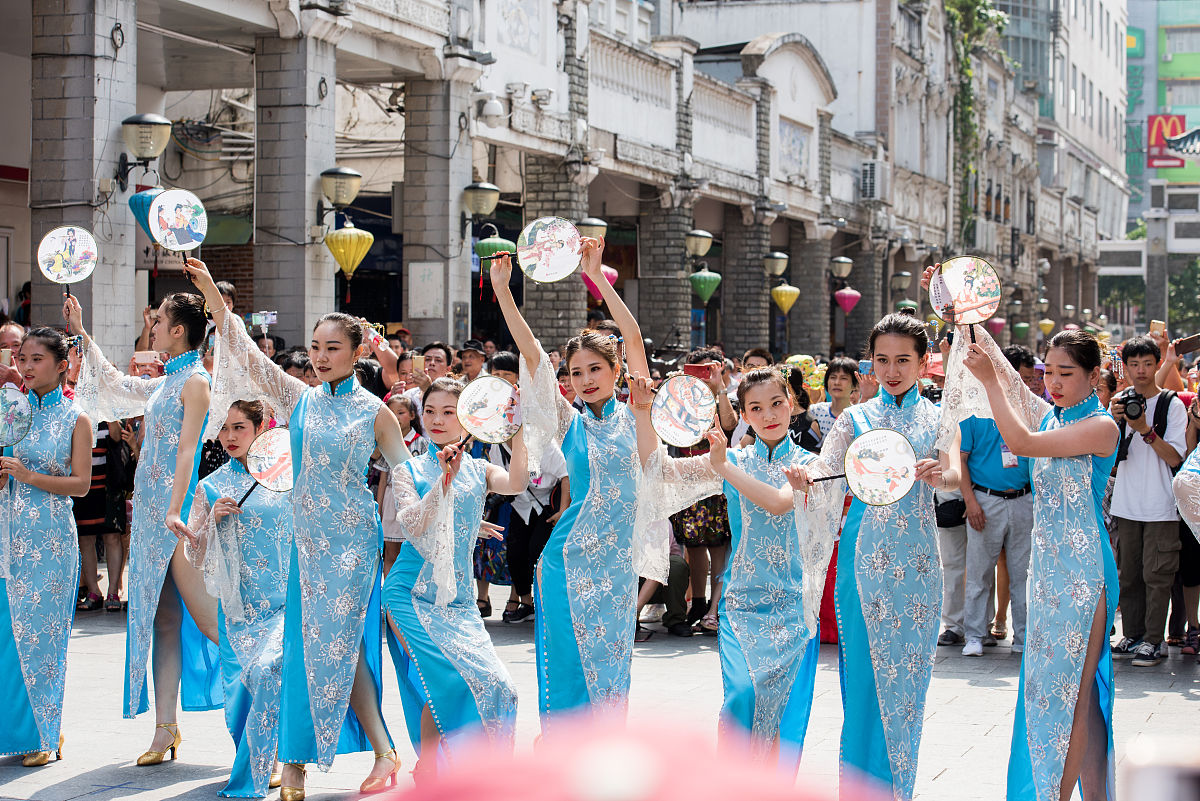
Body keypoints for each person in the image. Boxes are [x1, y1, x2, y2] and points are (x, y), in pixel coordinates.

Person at [184, 258, 412, 799]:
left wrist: (447, 508)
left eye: (332, 348)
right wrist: (217, 305)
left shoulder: (375, 411)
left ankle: (298, 766)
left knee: (328, 647)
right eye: (315, 347)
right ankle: (372, 752)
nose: (320, 356)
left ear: (357, 353)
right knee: (323, 648)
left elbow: (404, 480)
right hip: (304, 544)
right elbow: (251, 361)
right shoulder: (301, 398)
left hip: (353, 545)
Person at [786, 313, 961, 800]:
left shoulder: (940, 418)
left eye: (903, 359)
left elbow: (953, 476)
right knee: (863, 689)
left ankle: (899, 789)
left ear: (925, 363)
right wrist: (803, 479)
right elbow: (823, 475)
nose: (892, 370)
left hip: (920, 568)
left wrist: (937, 475)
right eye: (882, 360)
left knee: (908, 688)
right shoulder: (854, 418)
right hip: (862, 566)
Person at [631, 367, 841, 770]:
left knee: (781, 713)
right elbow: (660, 472)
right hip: (742, 605)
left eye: (776, 403)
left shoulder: (811, 466)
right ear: (744, 414)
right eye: (756, 408)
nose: (768, 415)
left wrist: (724, 468)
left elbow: (780, 502)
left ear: (792, 404)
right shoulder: (733, 459)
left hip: (794, 607)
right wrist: (644, 414)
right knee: (742, 696)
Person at [490, 242, 653, 728]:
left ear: (617, 370)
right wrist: (504, 292)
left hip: (618, 566)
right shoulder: (568, 422)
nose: (584, 379)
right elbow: (533, 357)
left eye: (595, 369)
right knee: (565, 669)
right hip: (565, 562)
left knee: (611, 670)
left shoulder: (640, 413)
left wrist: (597, 279)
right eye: (576, 372)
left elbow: (635, 336)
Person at [957, 328, 1120, 801]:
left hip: (1084, 571)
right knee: (1062, 694)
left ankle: (1054, 795)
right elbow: (1008, 377)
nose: (1055, 381)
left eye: (1067, 373)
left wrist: (990, 384)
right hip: (1046, 570)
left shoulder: (1102, 427)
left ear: (1095, 376)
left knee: (1072, 696)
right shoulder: (1051, 417)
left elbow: (1022, 441)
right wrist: (962, 310)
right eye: (1049, 372)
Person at [69, 292, 223, 762]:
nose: (151, 329)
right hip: (153, 512)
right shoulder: (164, 382)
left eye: (157, 322)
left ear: (177, 330)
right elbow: (113, 383)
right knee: (162, 620)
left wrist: (174, 510)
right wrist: (80, 330)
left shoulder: (194, 382)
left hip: (176, 516)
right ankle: (165, 728)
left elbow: (187, 452)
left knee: (210, 622)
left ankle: (265, 701)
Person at [383, 377, 522, 780]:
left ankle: (479, 772)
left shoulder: (479, 468)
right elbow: (412, 525)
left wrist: (519, 432)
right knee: (446, 677)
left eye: (448, 411)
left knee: (500, 686)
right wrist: (443, 481)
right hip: (411, 595)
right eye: (430, 411)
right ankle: (433, 769)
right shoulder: (407, 469)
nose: (437, 420)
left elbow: (515, 483)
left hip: (458, 600)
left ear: (467, 418)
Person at [183, 401, 289, 798]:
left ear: (262, 429)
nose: (229, 436)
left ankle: (266, 764)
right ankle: (256, 757)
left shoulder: (286, 477)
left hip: (283, 604)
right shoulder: (210, 485)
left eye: (239, 427)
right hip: (237, 610)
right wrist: (212, 521)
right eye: (225, 428)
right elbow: (194, 553)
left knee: (268, 673)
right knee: (239, 696)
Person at [0, 328, 92, 766]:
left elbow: (80, 484)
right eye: (22, 358)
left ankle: (46, 734)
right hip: (7, 534)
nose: (27, 366)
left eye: (37, 359)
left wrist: (27, 475)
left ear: (61, 364)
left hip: (52, 540)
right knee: (8, 637)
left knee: (43, 638)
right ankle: (13, 733)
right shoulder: (9, 411)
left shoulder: (77, 418)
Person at [1109, 336, 1187, 666]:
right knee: (1128, 575)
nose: (1140, 371)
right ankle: (1133, 634)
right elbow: (1105, 454)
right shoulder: (1118, 402)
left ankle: (1154, 641)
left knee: (1158, 576)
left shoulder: (1173, 405)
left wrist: (1144, 428)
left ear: (1158, 365)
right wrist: (1113, 420)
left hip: (1161, 505)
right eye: (1134, 364)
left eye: (1147, 363)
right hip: (1126, 504)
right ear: (1124, 367)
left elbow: (1175, 457)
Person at [958, 346, 1036, 657]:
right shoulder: (973, 411)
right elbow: (961, 459)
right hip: (985, 499)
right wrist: (970, 501)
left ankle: (1024, 638)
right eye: (1019, 376)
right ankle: (975, 635)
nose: (1025, 383)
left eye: (1028, 378)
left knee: (1023, 575)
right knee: (978, 573)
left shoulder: (1030, 412)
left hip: (1023, 499)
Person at [810, 357, 859, 445]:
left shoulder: (858, 416)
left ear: (854, 384)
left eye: (843, 378)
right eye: (833, 377)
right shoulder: (814, 411)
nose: (837, 382)